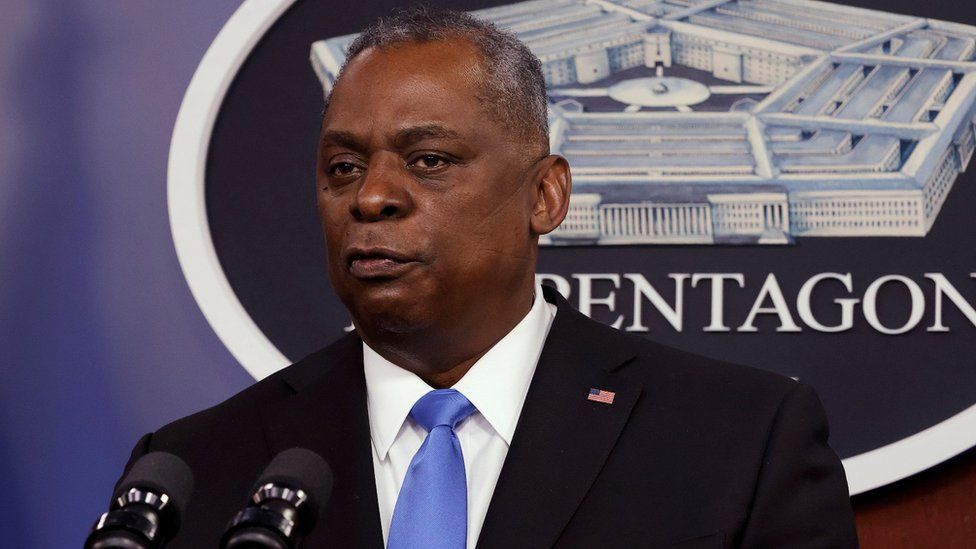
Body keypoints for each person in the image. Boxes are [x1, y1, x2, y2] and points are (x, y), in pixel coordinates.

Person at [116, 7, 858, 548]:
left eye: (429, 160)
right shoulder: (195, 466)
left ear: (545, 196)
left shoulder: (738, 441)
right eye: (342, 168)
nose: (371, 196)